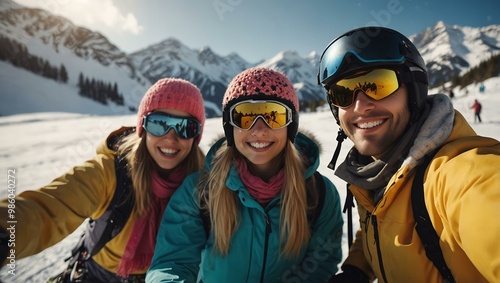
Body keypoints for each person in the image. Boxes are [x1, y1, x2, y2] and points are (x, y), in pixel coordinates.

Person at [317, 26, 500, 282]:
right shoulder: (372, 174)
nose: (360, 105)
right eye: (343, 92)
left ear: (413, 90)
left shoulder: (463, 175)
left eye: (378, 84)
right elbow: (381, 222)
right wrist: (357, 269)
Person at [146, 67, 344, 282]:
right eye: (244, 116)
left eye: (273, 116)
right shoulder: (200, 190)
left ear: (291, 125)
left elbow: (319, 265)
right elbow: (172, 263)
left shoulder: (319, 194)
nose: (259, 129)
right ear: (229, 127)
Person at [0, 78, 206, 282]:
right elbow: (46, 210)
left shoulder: (205, 186)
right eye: (159, 124)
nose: (171, 138)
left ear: (196, 136)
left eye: (185, 127)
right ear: (143, 127)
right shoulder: (111, 172)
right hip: (96, 276)